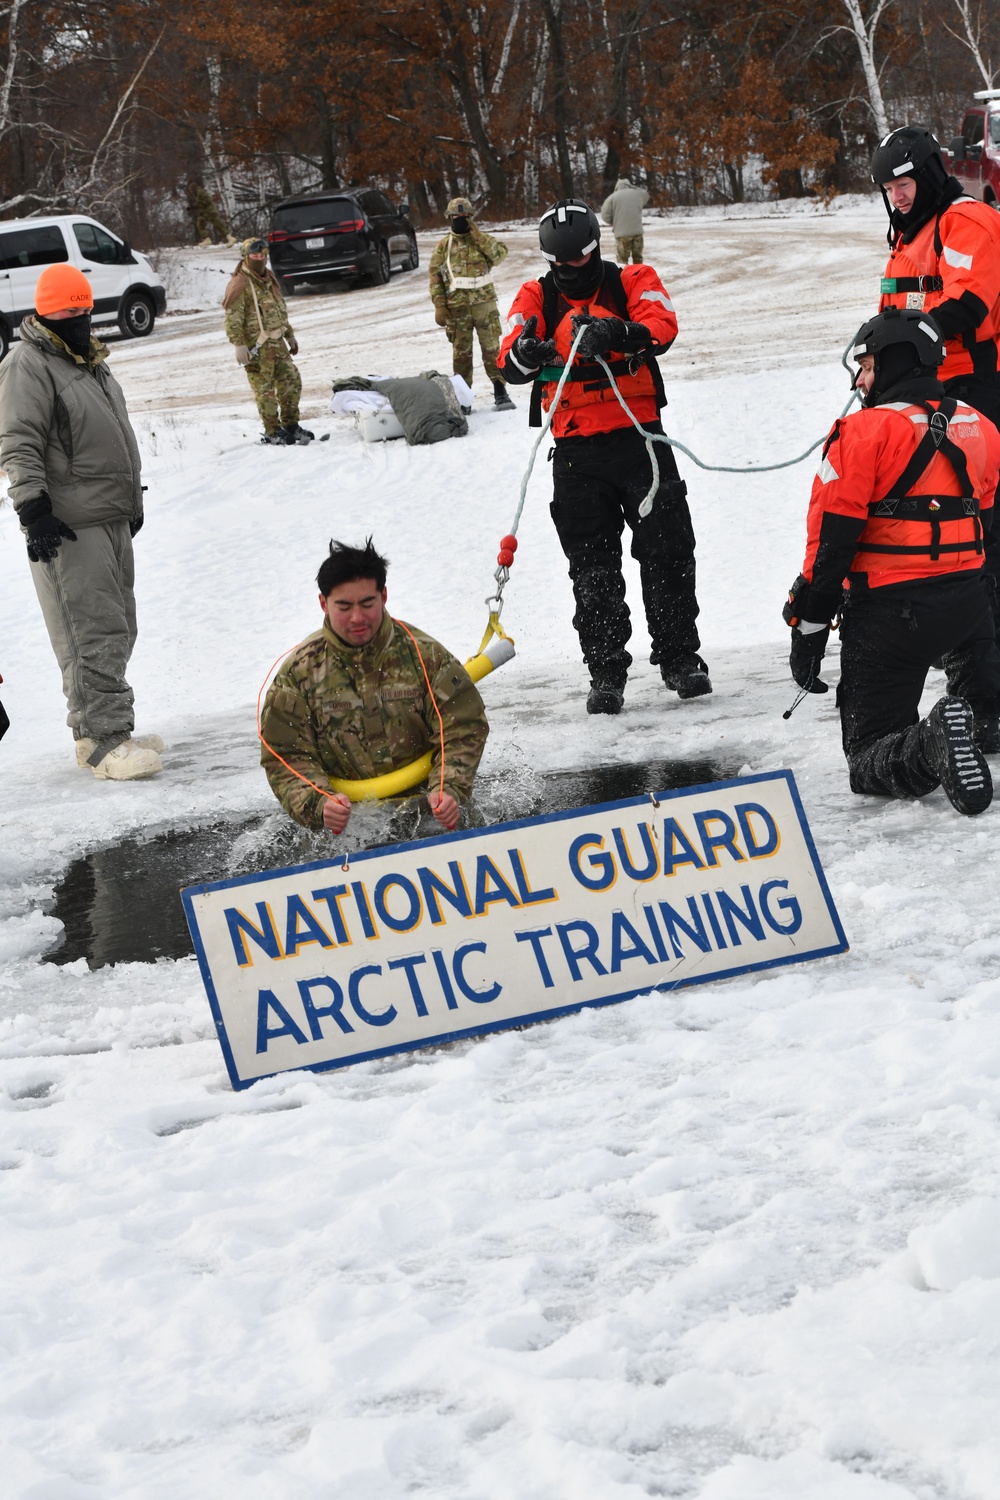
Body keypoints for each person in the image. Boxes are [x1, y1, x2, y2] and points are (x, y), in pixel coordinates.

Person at [783, 308, 1000, 815]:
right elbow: (987, 533)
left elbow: (831, 544)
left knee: (867, 760)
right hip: (968, 604)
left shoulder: (862, 432)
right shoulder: (981, 427)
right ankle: (982, 716)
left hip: (890, 615)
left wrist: (809, 627)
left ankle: (930, 743)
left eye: (867, 365)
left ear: (896, 361)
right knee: (985, 713)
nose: (860, 378)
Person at [498, 198, 710, 714]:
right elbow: (508, 356)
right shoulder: (535, 296)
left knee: (668, 553)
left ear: (596, 250)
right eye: (559, 265)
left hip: (642, 445)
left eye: (578, 261)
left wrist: (621, 333)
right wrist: (525, 354)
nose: (569, 272)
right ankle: (606, 671)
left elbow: (662, 324)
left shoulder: (632, 280)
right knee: (591, 568)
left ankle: (681, 659)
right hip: (575, 451)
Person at [0, 264, 163, 780]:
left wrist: (129, 504)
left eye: (83, 308)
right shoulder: (28, 362)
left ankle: (110, 726)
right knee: (88, 630)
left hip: (108, 516)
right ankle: (101, 741)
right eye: (67, 310)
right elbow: (17, 439)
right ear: (44, 311)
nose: (78, 317)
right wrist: (33, 509)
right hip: (67, 523)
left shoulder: (89, 361)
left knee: (118, 627)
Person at [260, 539, 489, 835]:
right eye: (344, 606)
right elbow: (284, 754)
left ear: (383, 595)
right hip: (347, 824)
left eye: (367, 604)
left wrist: (449, 788)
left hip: (429, 811)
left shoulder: (425, 655)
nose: (357, 618)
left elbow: (463, 726)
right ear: (323, 603)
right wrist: (318, 804)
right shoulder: (299, 673)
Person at [222, 237, 314, 446]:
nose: (259, 258)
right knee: (265, 392)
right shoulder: (240, 283)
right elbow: (232, 317)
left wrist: (289, 334)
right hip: (256, 348)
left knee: (291, 381)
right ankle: (272, 430)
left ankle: (291, 425)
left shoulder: (268, 279)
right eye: (255, 255)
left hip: (277, 344)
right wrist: (238, 344)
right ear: (246, 257)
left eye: (263, 255)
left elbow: (279, 310)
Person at [428, 197, 515, 411]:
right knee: (461, 355)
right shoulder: (444, 246)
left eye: (464, 216)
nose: (460, 220)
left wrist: (479, 236)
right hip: (457, 309)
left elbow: (500, 255)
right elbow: (435, 278)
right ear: (449, 218)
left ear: (471, 217)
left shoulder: (481, 240)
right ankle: (463, 398)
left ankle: (500, 390)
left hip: (484, 305)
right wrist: (439, 305)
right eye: (456, 217)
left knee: (492, 350)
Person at [600, 176, 650, 265]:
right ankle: (638, 277)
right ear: (629, 185)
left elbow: (604, 215)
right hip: (637, 233)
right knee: (638, 259)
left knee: (622, 261)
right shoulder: (638, 194)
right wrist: (632, 187)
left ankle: (624, 278)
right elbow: (646, 194)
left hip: (621, 235)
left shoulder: (612, 197)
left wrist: (614, 221)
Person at [185, 180, 234, 247]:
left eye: (191, 190)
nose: (191, 191)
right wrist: (194, 207)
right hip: (210, 211)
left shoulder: (200, 193)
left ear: (193, 188)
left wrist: (193, 207)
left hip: (209, 211)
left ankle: (207, 239)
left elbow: (207, 201)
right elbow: (202, 203)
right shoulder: (199, 193)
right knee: (218, 225)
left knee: (200, 223)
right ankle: (230, 238)